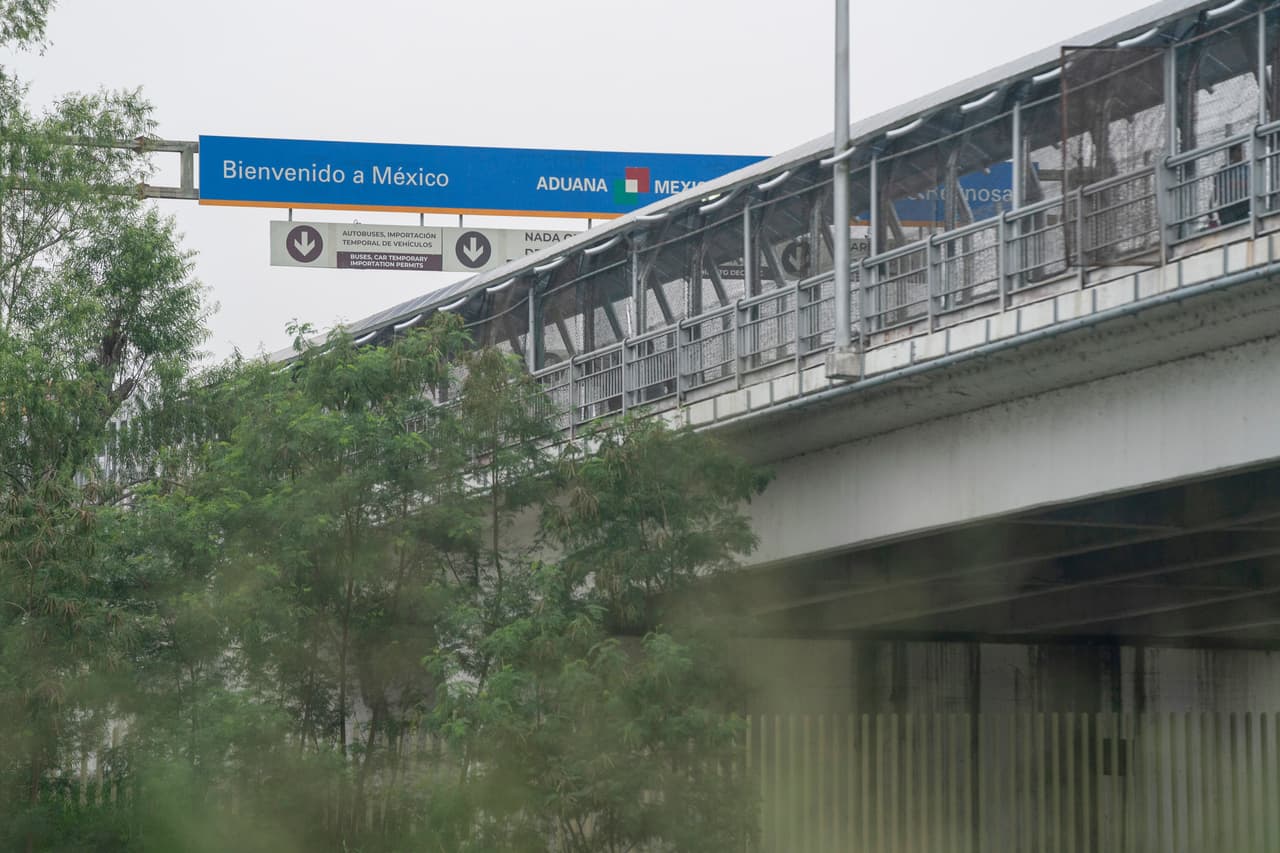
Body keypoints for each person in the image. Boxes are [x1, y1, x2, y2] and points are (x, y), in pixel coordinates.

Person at [1212, 142, 1249, 228]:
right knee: (1230, 228)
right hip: (1228, 208)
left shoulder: (1247, 169)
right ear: (1231, 154)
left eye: (1244, 151)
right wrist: (1210, 208)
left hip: (1244, 205)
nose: (1243, 153)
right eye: (1239, 151)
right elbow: (1216, 190)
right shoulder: (1224, 171)